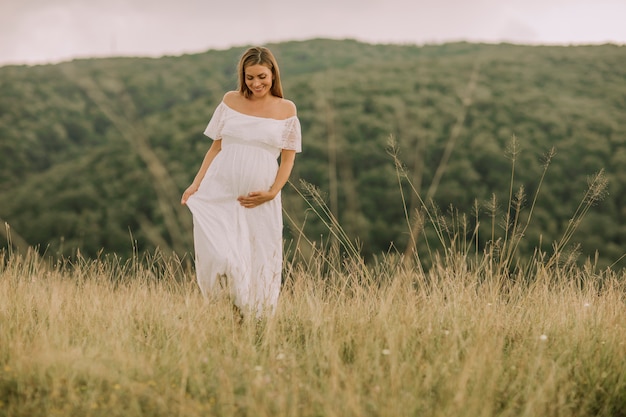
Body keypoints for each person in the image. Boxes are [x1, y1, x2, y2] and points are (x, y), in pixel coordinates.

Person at [181, 46, 302, 318]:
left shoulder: (286, 109)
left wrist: (272, 193)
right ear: (242, 77)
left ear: (273, 74)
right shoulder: (230, 101)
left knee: (257, 255)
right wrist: (196, 183)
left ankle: (250, 319)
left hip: (258, 199)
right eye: (249, 77)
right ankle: (232, 311)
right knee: (224, 257)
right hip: (220, 189)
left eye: (261, 76)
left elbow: (288, 160)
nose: (256, 83)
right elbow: (215, 147)